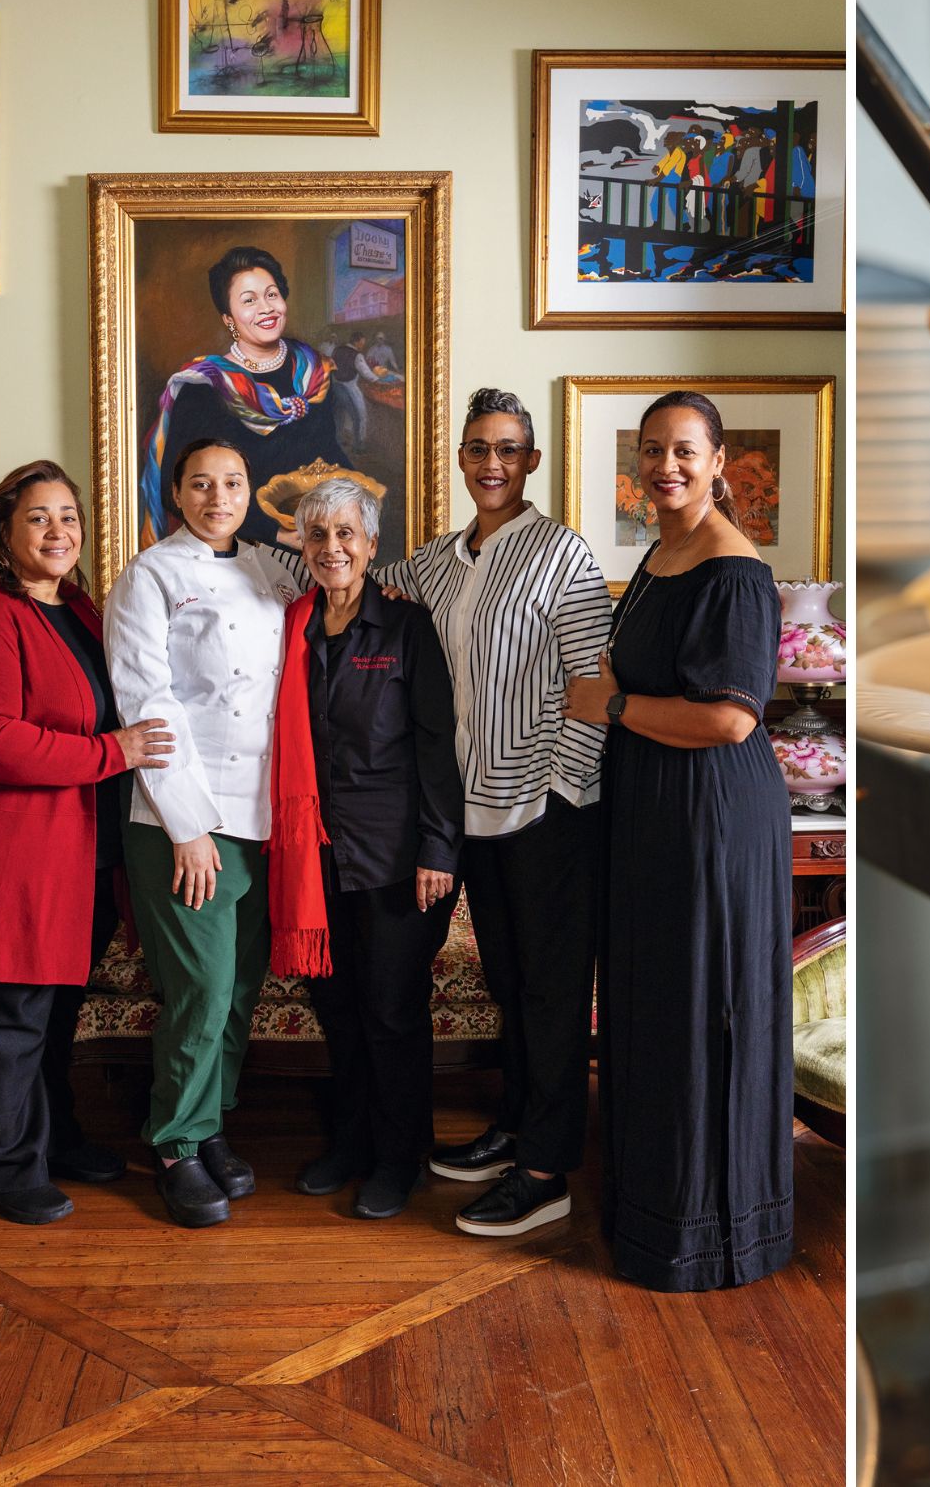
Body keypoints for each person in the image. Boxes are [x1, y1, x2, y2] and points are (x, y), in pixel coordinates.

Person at [0, 462, 176, 1225]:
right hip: (13, 849)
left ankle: (50, 1140)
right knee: (9, 1013)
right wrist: (114, 753)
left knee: (55, 1012)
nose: (59, 532)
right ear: (4, 534)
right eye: (40, 518)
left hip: (83, 849)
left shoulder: (76, 607)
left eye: (69, 517)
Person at [565, 391, 791, 1291]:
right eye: (653, 450)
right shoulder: (659, 555)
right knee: (655, 1005)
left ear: (718, 462)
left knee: (707, 1011)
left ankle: (711, 1234)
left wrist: (611, 705)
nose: (667, 465)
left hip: (711, 816)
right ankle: (651, 1213)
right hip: (654, 807)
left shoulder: (736, 573)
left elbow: (732, 720)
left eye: (684, 451)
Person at [375, 388, 613, 1239]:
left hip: (547, 808)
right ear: (462, 459)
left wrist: (560, 788)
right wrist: (252, 561)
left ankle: (545, 1172)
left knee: (551, 991)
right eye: (478, 448)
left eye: (508, 449)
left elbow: (596, 684)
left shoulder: (562, 554)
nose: (491, 463)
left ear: (532, 461)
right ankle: (517, 1127)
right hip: (468, 812)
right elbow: (354, 572)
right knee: (509, 984)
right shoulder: (436, 561)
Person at [106, 438, 311, 1227]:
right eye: (201, 484)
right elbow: (148, 705)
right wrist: (187, 826)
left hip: (264, 812)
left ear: (248, 490)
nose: (217, 496)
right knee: (201, 986)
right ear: (177, 494)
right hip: (184, 816)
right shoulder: (151, 575)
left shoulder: (269, 566)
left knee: (240, 988)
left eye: (231, 483)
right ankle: (176, 1143)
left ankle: (211, 1121)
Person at [288, 478, 464, 1221]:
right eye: (319, 535)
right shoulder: (291, 628)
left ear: (370, 544)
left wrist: (439, 847)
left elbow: (435, 742)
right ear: (303, 545)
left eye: (346, 534)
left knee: (392, 1008)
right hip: (312, 854)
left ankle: (400, 1158)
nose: (333, 548)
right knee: (339, 1005)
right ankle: (352, 1142)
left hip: (397, 855)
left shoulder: (404, 628)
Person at [140, 245, 352, 551]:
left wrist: (354, 501)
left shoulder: (313, 373)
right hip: (239, 551)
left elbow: (328, 454)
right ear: (228, 317)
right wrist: (274, 533)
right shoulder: (202, 389)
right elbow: (172, 491)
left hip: (318, 542)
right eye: (249, 300)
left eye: (271, 294)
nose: (265, 308)